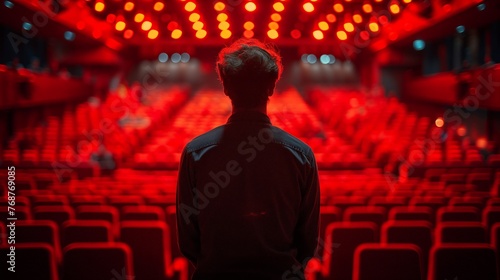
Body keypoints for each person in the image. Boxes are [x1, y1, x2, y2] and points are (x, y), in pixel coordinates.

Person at [176, 38, 320, 280]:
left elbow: (188, 243)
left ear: (225, 88)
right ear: (272, 88)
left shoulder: (195, 152)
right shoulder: (301, 155)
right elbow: (307, 244)